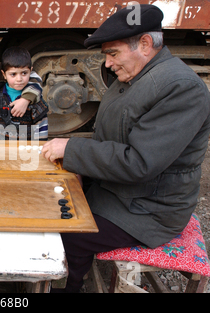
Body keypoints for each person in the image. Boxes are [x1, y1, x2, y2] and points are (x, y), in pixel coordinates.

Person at [41, 4, 210, 292]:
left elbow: (139, 162)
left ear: (144, 44)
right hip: (121, 191)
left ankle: (69, 284)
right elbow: (113, 137)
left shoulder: (180, 88)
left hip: (148, 209)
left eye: (113, 53)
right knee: (50, 202)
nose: (107, 63)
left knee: (67, 231)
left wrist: (73, 151)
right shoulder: (139, 76)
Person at [0, 46, 48, 141]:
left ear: (31, 71)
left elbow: (41, 126)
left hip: (24, 149)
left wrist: (38, 148)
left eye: (24, 73)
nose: (19, 79)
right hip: (0, 148)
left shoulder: (34, 99)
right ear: (4, 74)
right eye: (13, 74)